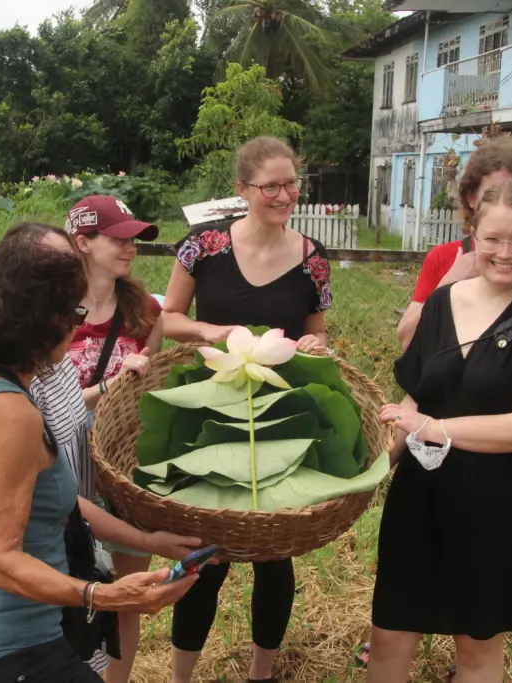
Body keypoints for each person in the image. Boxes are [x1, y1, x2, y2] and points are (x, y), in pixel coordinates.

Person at [0, 222, 202, 682]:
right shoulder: (13, 415)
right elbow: (1, 561)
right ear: (43, 321)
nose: (78, 325)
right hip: (7, 648)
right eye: (75, 314)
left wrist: (146, 542)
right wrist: (106, 596)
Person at [367, 180, 512, 683]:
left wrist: (436, 428)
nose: (505, 253)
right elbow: (414, 399)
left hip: (499, 503)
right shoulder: (442, 303)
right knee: (388, 635)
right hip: (422, 494)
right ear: (471, 234)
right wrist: (375, 467)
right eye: (492, 239)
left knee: (478, 647)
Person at [161, 136, 332, 683]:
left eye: (291, 184)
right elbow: (168, 318)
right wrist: (211, 330)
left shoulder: (312, 259)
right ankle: (180, 675)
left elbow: (317, 338)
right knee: (206, 557)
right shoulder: (204, 246)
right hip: (210, 412)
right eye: (271, 186)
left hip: (278, 418)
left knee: (274, 555)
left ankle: (262, 674)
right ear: (242, 190)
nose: (284, 195)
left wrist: (312, 349)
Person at [64, 195, 164, 683]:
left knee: (130, 591)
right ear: (83, 241)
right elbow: (37, 402)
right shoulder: (50, 312)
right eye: (118, 239)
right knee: (66, 583)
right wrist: (106, 387)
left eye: (134, 240)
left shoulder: (145, 311)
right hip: (58, 462)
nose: (130, 249)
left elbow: (148, 396)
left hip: (119, 467)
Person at [395, 135, 512, 352]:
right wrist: (447, 285)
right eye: (492, 193)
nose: (505, 202)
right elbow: (407, 341)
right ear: (471, 197)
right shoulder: (444, 259)